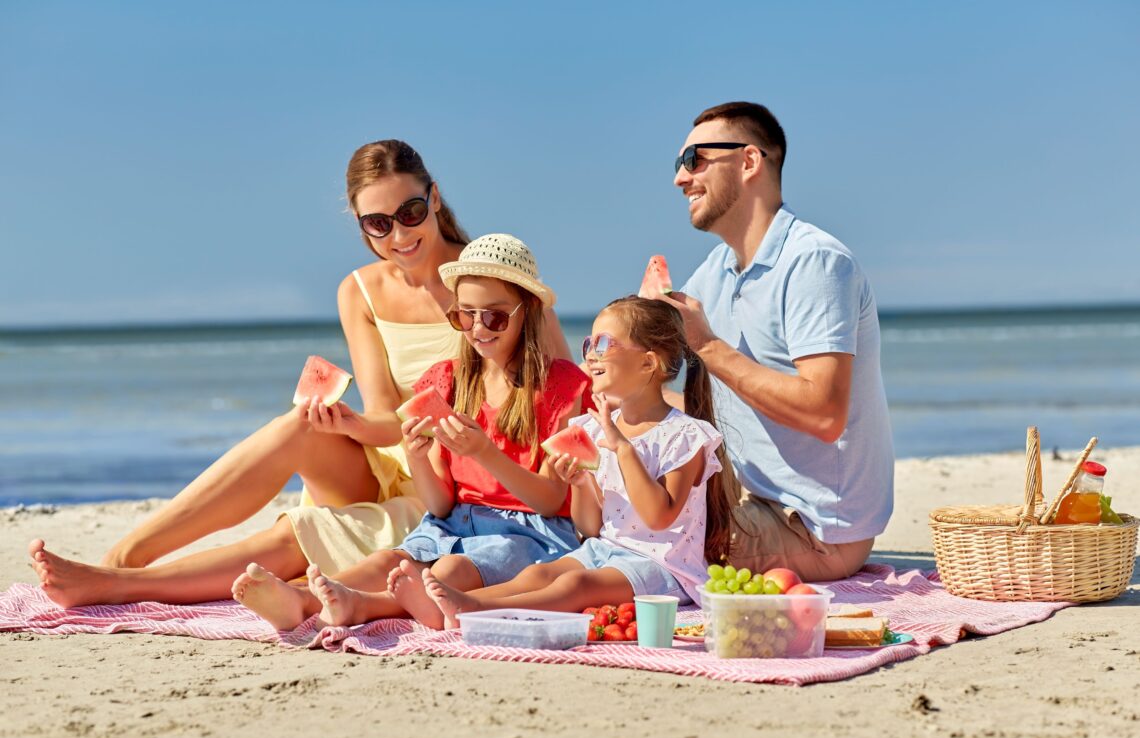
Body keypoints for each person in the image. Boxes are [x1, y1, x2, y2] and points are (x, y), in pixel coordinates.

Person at [26, 146, 572, 608]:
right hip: (395, 453)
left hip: (454, 480)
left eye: (409, 213)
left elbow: (561, 391)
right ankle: (127, 556)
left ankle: (125, 586)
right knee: (300, 427)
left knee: (294, 535)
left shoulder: (493, 284)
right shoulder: (358, 291)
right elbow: (387, 412)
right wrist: (353, 424)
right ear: (361, 225)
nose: (398, 235)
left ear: (433, 198)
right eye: (377, 224)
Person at [231, 234, 593, 631]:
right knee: (389, 561)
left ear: (529, 310)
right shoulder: (446, 381)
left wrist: (484, 452)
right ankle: (301, 600)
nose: (478, 328)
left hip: (530, 534)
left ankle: (360, 607)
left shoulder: (562, 385)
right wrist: (417, 455)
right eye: (464, 315)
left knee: (450, 570)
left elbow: (550, 499)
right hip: (454, 520)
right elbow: (438, 505)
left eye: (495, 316)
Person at [388, 296, 735, 628]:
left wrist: (624, 451)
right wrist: (582, 484)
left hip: (663, 568)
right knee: (539, 575)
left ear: (648, 362)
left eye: (603, 345)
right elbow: (590, 528)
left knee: (576, 588)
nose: (591, 356)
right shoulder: (593, 428)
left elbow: (659, 518)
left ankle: (473, 608)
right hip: (604, 550)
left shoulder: (685, 435)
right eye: (588, 345)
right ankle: (450, 605)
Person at [660, 101, 894, 582]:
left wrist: (706, 347)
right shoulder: (716, 272)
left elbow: (824, 414)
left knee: (640, 539)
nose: (680, 179)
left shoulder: (815, 263)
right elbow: (689, 397)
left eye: (694, 160)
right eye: (679, 165)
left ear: (748, 162)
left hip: (815, 530)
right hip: (746, 501)